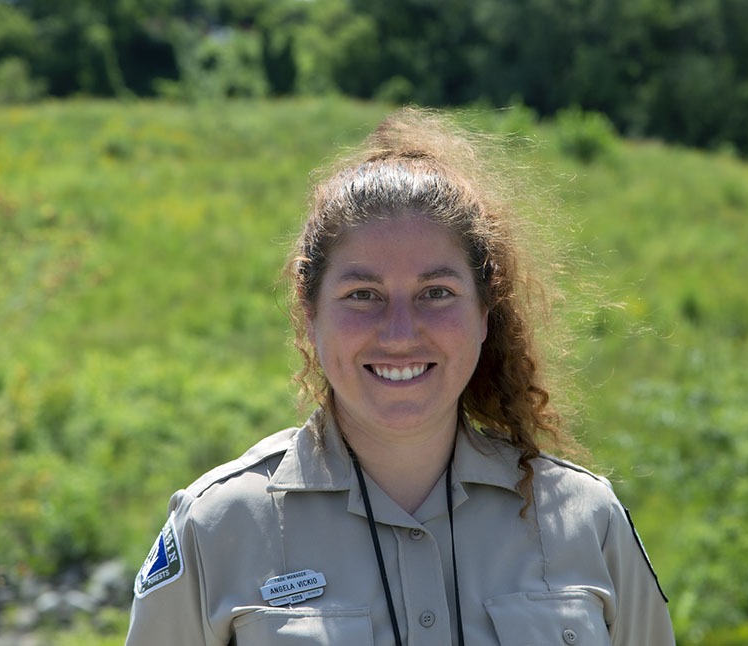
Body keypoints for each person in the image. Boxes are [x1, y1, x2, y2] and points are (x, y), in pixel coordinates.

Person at [125, 108, 675, 646]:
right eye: (362, 295)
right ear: (310, 311)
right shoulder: (217, 527)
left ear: (486, 312)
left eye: (436, 293)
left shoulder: (587, 520)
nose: (400, 333)